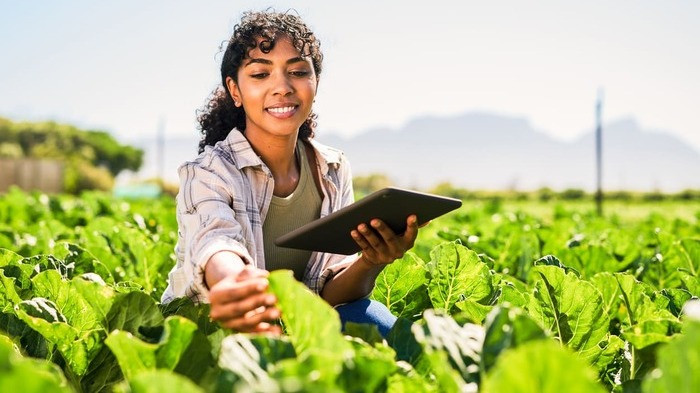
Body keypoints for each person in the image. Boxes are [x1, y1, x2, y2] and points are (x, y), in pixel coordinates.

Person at [161, 10, 420, 337]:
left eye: (298, 71)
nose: (282, 87)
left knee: (374, 319)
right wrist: (233, 283)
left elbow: (325, 294)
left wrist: (371, 260)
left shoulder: (333, 168)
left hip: (294, 326)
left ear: (315, 82)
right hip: (214, 331)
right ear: (235, 91)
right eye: (259, 75)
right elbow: (215, 241)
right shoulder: (209, 171)